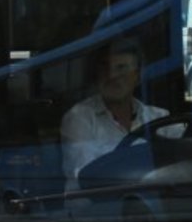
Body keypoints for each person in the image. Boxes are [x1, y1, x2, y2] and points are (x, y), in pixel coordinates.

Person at [60, 39, 169, 187]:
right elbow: (89, 176)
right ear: (97, 75)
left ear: (137, 76)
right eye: (105, 68)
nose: (112, 76)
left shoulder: (160, 117)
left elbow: (189, 162)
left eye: (121, 68)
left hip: (153, 205)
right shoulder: (80, 117)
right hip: (97, 208)